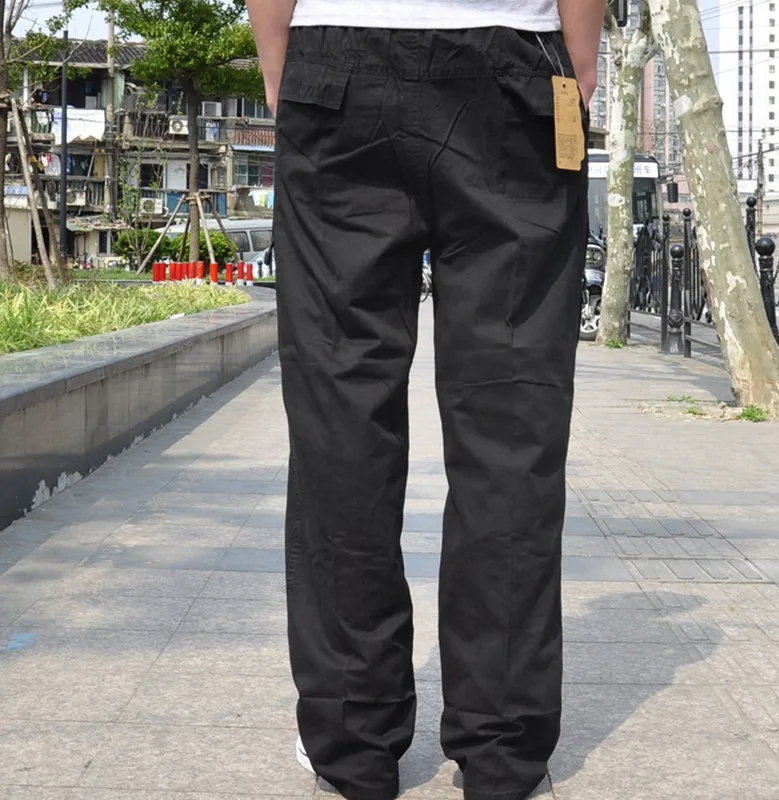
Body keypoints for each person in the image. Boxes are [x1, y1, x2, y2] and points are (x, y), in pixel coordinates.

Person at [246, 2, 604, 799]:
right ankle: (503, 749)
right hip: (517, 65)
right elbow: (582, 57)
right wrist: (574, 68)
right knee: (512, 428)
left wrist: (286, 67)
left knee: (341, 416)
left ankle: (353, 740)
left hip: (336, 63)